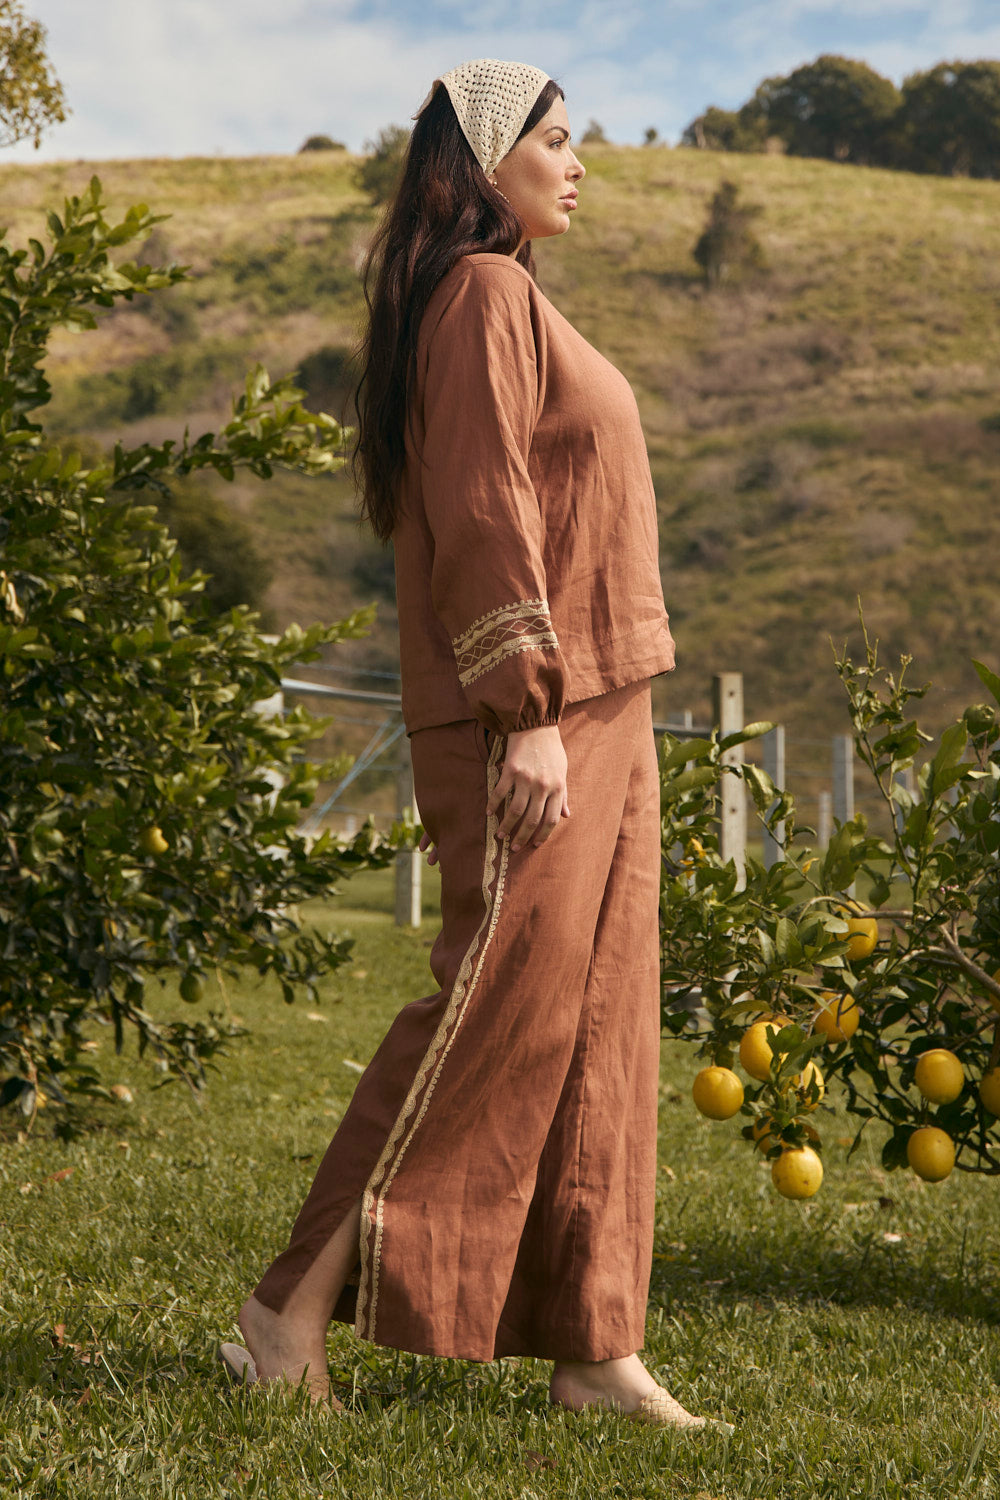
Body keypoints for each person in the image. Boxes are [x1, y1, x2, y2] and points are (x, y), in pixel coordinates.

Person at [220, 58, 731, 1434]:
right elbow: (486, 503)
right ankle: (284, 1316)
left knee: (602, 1031)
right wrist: (525, 711)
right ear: (485, 158)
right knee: (486, 1012)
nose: (580, 165)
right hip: (541, 715)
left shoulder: (513, 300)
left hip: (609, 701)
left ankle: (594, 1345)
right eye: (556, 141)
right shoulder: (485, 295)